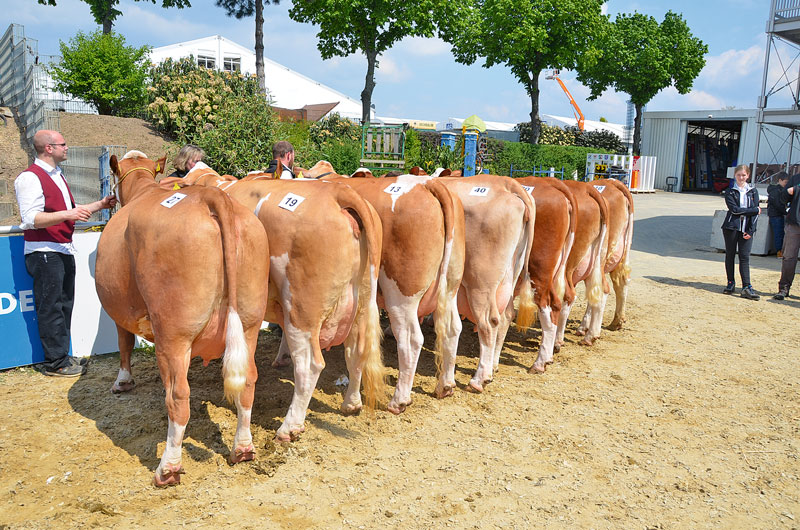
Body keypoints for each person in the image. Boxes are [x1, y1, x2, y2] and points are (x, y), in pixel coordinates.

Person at [14, 130, 117, 377]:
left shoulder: (57, 175)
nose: (67, 147)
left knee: (63, 305)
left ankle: (61, 356)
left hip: (61, 248)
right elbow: (30, 219)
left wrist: (100, 205)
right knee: (51, 307)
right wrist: (69, 215)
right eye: (63, 144)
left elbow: (70, 211)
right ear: (49, 148)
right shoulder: (29, 178)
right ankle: (55, 362)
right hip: (44, 251)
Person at [720, 164, 761, 300]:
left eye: (744, 175)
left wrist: (751, 230)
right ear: (735, 176)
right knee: (730, 255)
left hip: (746, 228)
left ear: (748, 176)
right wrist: (754, 210)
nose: (741, 177)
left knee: (744, 256)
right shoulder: (730, 191)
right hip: (732, 227)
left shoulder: (753, 191)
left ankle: (746, 286)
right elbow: (735, 210)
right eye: (739, 175)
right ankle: (730, 282)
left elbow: (755, 215)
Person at [774, 170, 800, 300]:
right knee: (789, 257)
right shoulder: (796, 178)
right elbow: (782, 199)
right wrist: (789, 191)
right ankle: (784, 288)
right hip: (794, 225)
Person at [767, 171, 789, 257]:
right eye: (785, 182)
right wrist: (786, 211)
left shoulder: (777, 190)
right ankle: (779, 251)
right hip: (775, 215)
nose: (786, 184)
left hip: (777, 214)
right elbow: (777, 204)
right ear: (780, 180)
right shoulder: (776, 191)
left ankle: (780, 251)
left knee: (779, 233)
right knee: (779, 234)